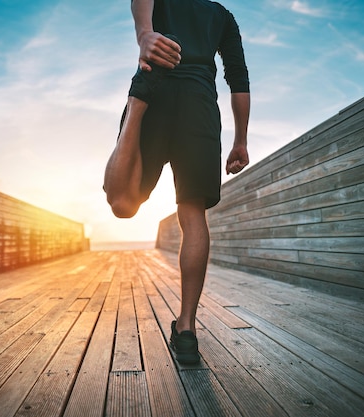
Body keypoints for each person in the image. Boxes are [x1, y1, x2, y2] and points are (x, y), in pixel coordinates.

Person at [103, 0, 250, 364]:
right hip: (199, 107)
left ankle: (136, 105)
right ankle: (186, 329)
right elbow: (238, 78)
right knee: (193, 216)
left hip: (155, 86)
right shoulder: (222, 17)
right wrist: (241, 140)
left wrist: (145, 36)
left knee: (122, 204)